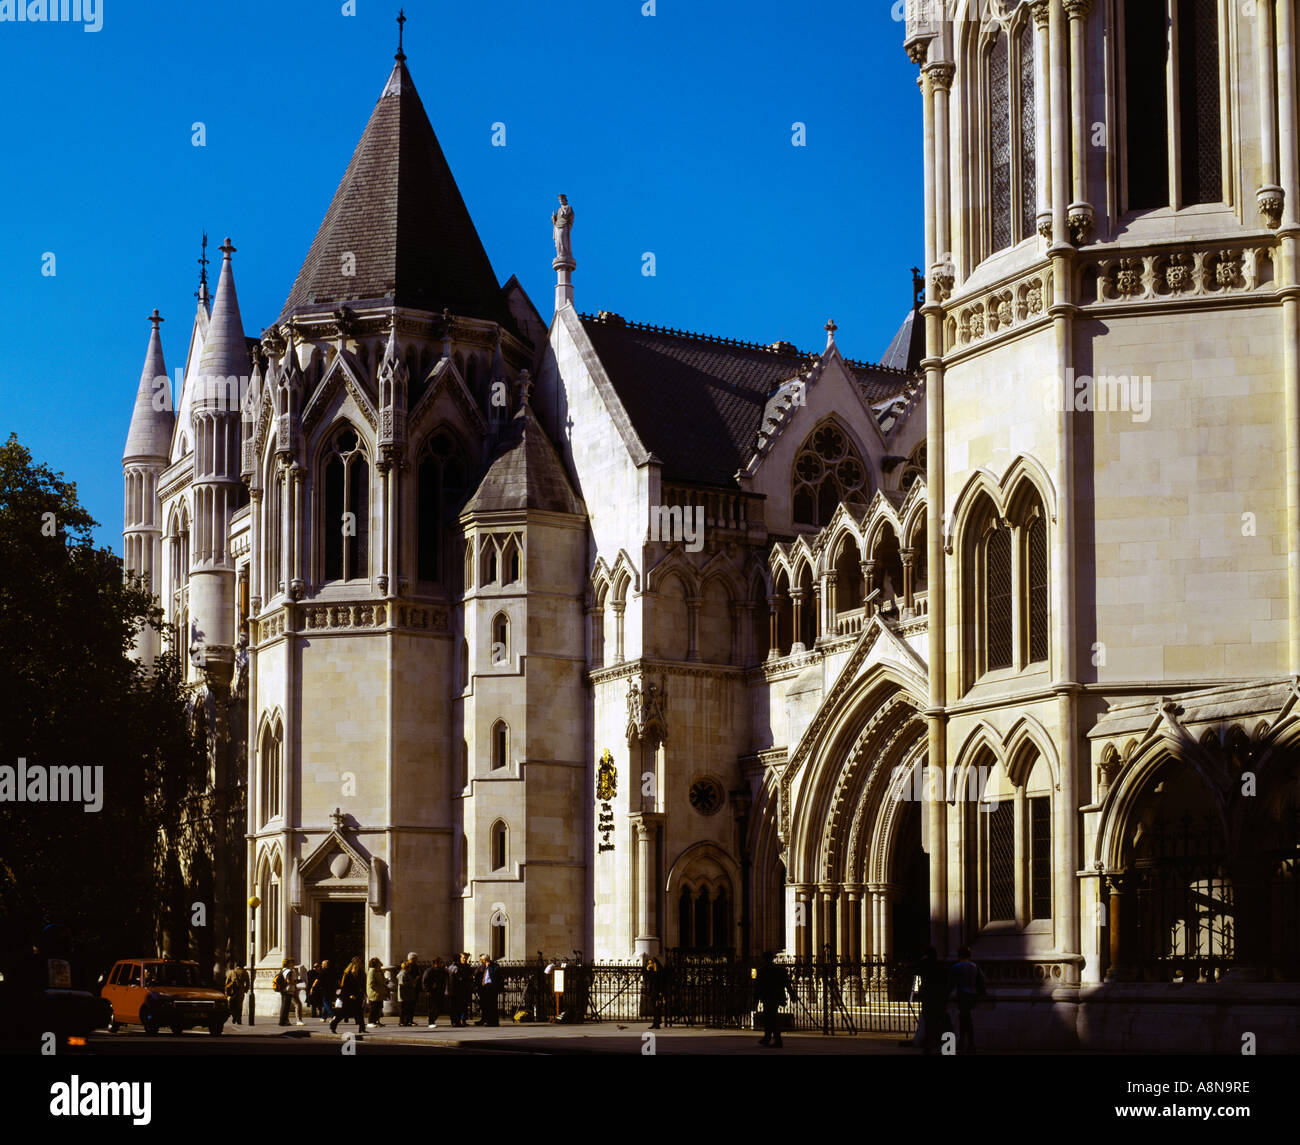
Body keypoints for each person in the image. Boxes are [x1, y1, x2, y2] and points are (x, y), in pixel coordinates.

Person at [948, 945, 986, 1054]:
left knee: (964, 1018)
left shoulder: (956, 967)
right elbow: (982, 979)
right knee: (966, 1018)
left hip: (962, 994)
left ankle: (966, 1042)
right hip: (972, 994)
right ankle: (968, 1042)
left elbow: (951, 983)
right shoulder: (974, 966)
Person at [916, 947, 950, 1054]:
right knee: (940, 1023)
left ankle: (930, 1046)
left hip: (929, 999)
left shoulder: (926, 968)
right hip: (939, 998)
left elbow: (914, 968)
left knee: (930, 1024)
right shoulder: (942, 968)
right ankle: (944, 1046)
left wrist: (923, 960)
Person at [754, 952, 791, 1048]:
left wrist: (755, 1000)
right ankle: (767, 1037)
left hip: (768, 997)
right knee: (770, 1017)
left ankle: (776, 1040)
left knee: (770, 1019)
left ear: (765, 959)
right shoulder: (779, 970)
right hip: (777, 997)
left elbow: (758, 987)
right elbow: (787, 983)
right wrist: (792, 995)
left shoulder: (762, 971)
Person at [330, 956, 366, 1034]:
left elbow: (362, 984)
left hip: (357, 996)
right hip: (347, 997)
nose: (357, 967)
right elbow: (344, 987)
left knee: (359, 1012)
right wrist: (350, 995)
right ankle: (333, 1024)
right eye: (356, 966)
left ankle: (362, 1028)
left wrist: (363, 993)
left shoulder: (360, 973)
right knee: (343, 1013)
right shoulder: (347, 975)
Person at [642, 956, 668, 1030]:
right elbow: (647, 978)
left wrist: (661, 993)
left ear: (654, 963)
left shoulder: (659, 971)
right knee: (655, 1008)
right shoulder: (652, 971)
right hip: (653, 992)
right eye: (649, 963)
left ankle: (657, 1024)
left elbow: (661, 982)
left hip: (658, 992)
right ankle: (655, 1023)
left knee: (657, 1008)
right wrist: (647, 969)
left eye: (651, 963)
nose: (650, 964)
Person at [422, 957, 446, 1028]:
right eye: (440, 962)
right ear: (436, 963)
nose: (441, 963)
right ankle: (431, 1022)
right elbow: (425, 981)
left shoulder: (442, 971)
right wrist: (427, 990)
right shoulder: (429, 971)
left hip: (440, 991)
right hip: (432, 991)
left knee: (440, 1007)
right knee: (432, 1007)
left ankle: (432, 1019)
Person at [476, 954, 500, 1027]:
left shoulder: (494, 966)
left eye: (483, 960)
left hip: (491, 987)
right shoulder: (483, 967)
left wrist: (489, 966)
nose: (482, 962)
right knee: (484, 1005)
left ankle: (493, 1022)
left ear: (487, 960)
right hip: (484, 987)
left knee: (492, 1005)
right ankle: (485, 1020)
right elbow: (478, 975)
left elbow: (495, 974)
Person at [397, 956, 420, 1027]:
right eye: (409, 967)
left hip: (407, 994)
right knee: (403, 1010)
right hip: (403, 995)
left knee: (408, 1009)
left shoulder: (407, 974)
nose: (410, 968)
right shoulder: (402, 974)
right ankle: (402, 1022)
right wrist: (413, 983)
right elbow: (402, 983)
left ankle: (407, 1021)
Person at [366, 957, 388, 1027]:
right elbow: (371, 983)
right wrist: (377, 990)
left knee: (378, 1007)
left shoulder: (378, 971)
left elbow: (382, 980)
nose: (380, 963)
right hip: (374, 993)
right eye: (378, 962)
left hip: (380, 993)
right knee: (373, 1008)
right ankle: (370, 1022)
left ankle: (376, 1021)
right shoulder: (372, 971)